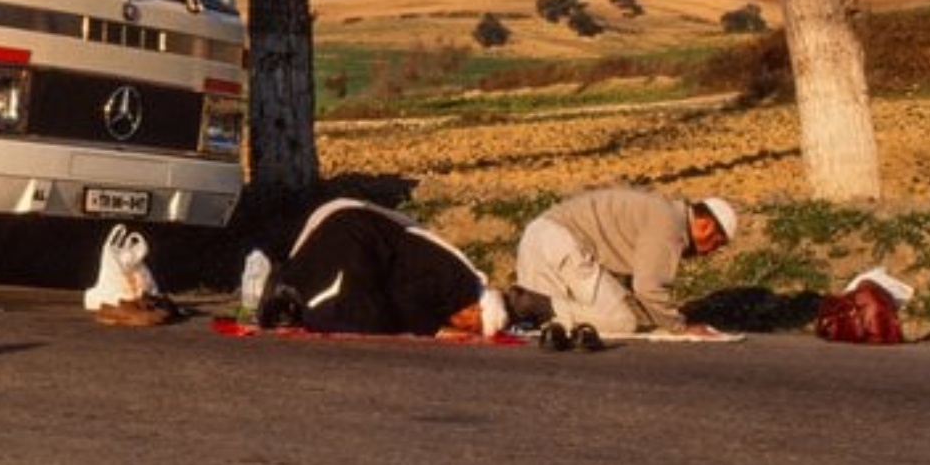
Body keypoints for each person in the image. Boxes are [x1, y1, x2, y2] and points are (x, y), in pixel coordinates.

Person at [511, 186, 737, 350]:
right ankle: (532, 303)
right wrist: (681, 327)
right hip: (560, 242)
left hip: (538, 237)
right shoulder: (671, 225)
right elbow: (648, 287)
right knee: (623, 321)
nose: (710, 252)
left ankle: (510, 303)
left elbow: (638, 286)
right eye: (716, 243)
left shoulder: (663, 212)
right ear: (705, 225)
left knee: (551, 328)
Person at [256, 197, 507, 339]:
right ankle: (285, 297)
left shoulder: (458, 286)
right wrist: (437, 331)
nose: (464, 326)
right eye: (472, 325)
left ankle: (286, 298)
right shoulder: (457, 282)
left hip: (359, 240)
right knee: (358, 317)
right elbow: (408, 298)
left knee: (352, 307)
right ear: (477, 308)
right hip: (355, 236)